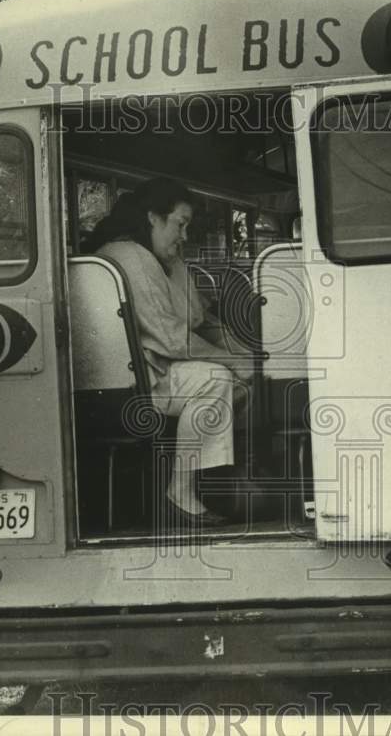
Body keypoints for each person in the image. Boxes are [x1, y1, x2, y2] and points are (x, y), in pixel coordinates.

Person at [83, 177, 251, 526]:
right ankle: (180, 491)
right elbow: (173, 339)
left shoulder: (164, 260)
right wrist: (233, 360)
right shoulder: (131, 258)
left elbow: (199, 319)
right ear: (152, 218)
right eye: (180, 224)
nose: (184, 236)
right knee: (216, 380)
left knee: (235, 384)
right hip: (137, 381)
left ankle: (214, 479)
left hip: (158, 373)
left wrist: (248, 352)